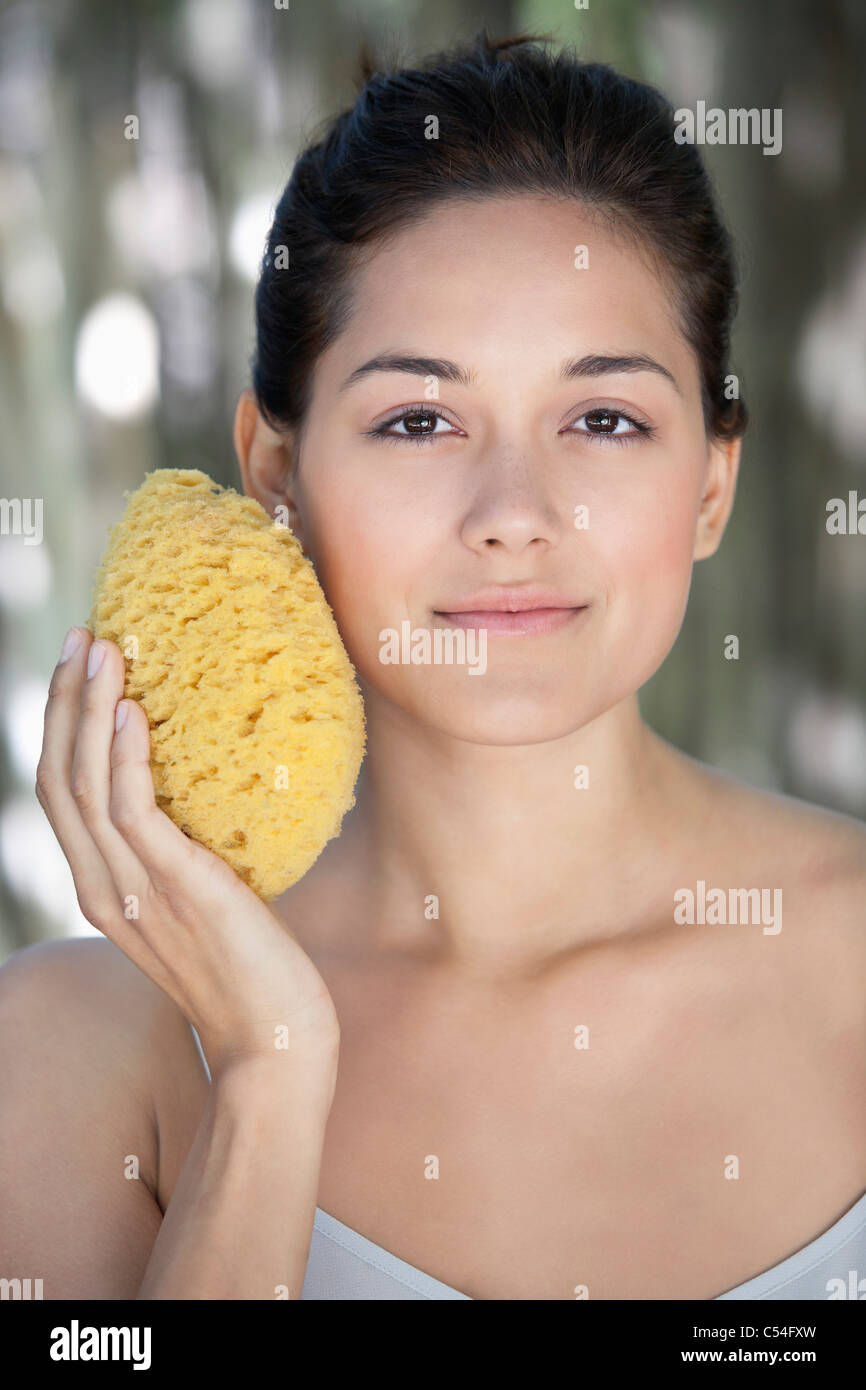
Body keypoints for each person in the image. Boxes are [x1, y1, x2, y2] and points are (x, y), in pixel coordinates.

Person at [3, 29, 865, 1301]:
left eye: (603, 418)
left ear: (708, 486)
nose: (512, 510)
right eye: (417, 418)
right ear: (276, 475)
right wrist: (264, 1071)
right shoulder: (66, 1053)